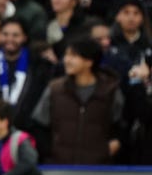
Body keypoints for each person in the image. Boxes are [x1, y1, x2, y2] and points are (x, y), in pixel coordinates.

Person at [32, 37, 124, 165]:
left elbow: (119, 125)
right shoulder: (55, 89)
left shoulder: (110, 91)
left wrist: (109, 148)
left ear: (89, 61)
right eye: (66, 55)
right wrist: (50, 151)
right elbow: (39, 125)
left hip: (98, 167)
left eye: (73, 56)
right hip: (60, 166)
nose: (67, 60)